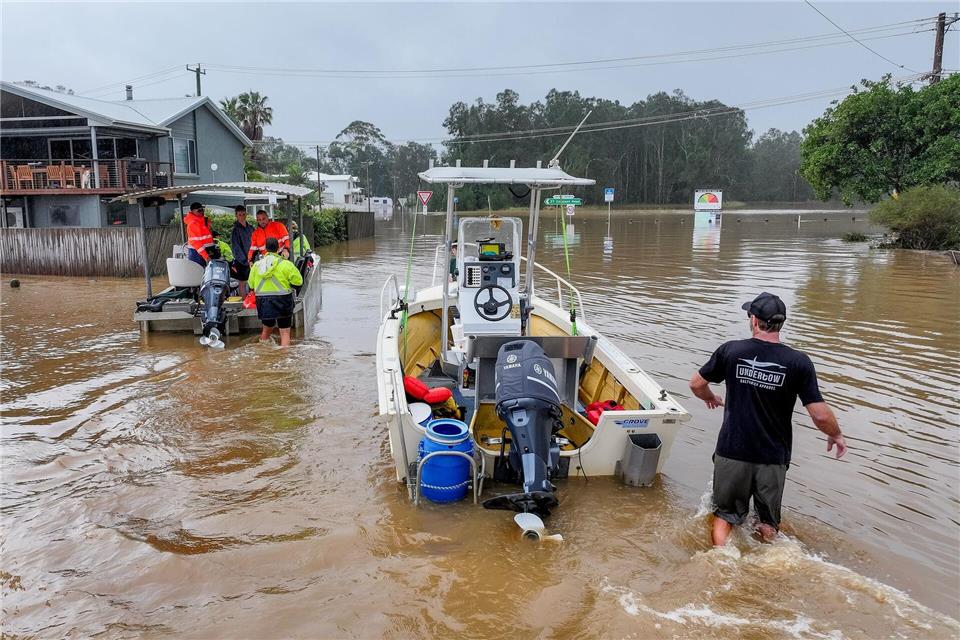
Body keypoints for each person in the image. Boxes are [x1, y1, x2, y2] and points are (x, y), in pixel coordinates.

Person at [688, 292, 847, 547]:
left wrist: (712, 398)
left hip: (733, 451)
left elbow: (696, 384)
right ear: (781, 323)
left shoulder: (731, 351)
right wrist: (835, 434)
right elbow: (819, 413)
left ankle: (720, 559)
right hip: (772, 458)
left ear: (754, 320)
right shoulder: (799, 362)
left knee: (725, 516)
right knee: (767, 523)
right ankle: (767, 558)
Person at [247, 236, 302, 347]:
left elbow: (251, 285)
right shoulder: (286, 264)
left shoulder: (257, 265)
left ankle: (263, 351)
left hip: (263, 301)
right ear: (278, 249)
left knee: (266, 329)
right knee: (285, 332)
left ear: (265, 249)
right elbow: (298, 281)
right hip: (283, 300)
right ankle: (285, 356)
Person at [183, 202, 214, 267]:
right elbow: (195, 242)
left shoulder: (203, 221)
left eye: (202, 210)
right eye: (199, 210)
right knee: (198, 272)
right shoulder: (193, 223)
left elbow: (204, 236)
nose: (202, 212)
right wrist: (206, 256)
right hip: (197, 254)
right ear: (193, 211)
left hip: (206, 252)